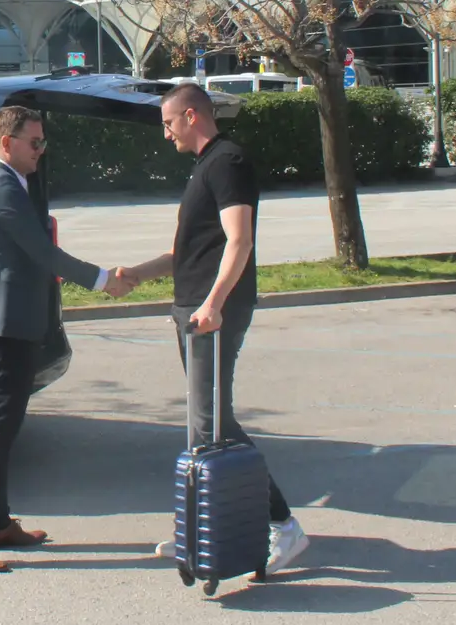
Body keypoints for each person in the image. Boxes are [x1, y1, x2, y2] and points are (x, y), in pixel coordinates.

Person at [112, 81, 309, 575]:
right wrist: (139, 272)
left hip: (212, 317)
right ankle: (201, 530)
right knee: (206, 426)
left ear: (193, 116)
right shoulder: (207, 166)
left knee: (212, 424)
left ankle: (283, 526)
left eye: (168, 124)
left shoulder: (228, 163)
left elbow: (239, 242)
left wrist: (214, 304)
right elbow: (191, 252)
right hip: (195, 313)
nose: (166, 135)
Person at [0, 104, 133, 574]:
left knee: (3, 424)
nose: (41, 151)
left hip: (10, 321)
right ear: (7, 143)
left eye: (43, 141)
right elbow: (43, 251)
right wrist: (103, 279)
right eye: (35, 142)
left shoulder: (10, 181)